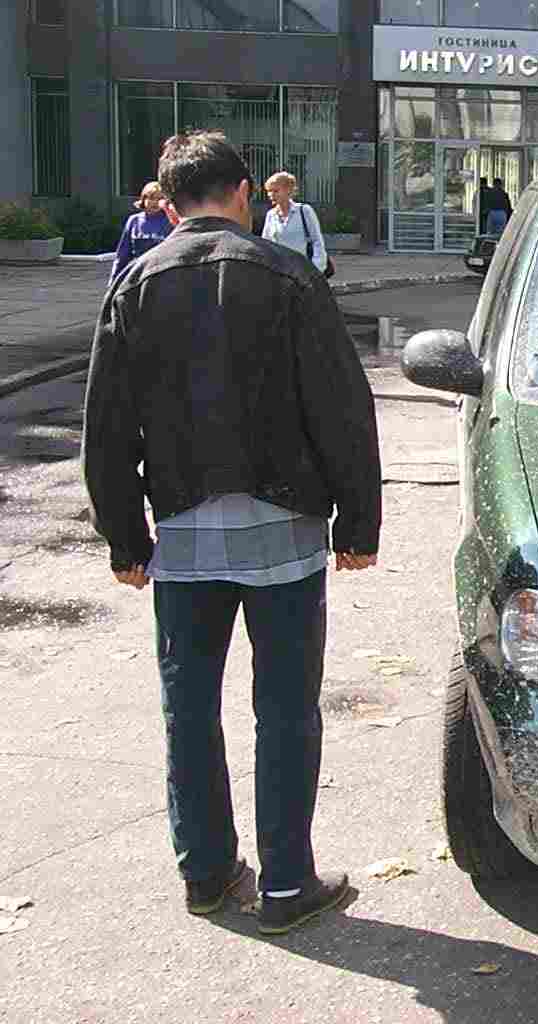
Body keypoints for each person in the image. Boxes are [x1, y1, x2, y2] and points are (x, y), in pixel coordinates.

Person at [82, 131, 382, 935]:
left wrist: (125, 539)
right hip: (285, 530)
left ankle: (207, 873)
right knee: (285, 708)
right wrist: (358, 522)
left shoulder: (135, 283)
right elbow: (341, 406)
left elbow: (106, 426)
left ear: (168, 203)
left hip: (182, 535)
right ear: (244, 193)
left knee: (189, 708)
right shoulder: (287, 275)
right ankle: (286, 885)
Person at [260, 171, 330, 277]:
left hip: (304, 272)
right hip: (280, 272)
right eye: (269, 191)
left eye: (275, 191)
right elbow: (266, 244)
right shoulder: (271, 215)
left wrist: (316, 270)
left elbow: (317, 241)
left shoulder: (304, 210)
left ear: (288, 190)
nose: (271, 195)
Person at [109, 181, 174, 284]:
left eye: (160, 199)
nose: (155, 202)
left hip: (162, 275)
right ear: (143, 199)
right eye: (152, 198)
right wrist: (113, 281)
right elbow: (122, 255)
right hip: (137, 276)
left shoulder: (171, 220)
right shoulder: (134, 220)